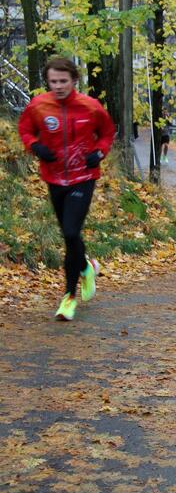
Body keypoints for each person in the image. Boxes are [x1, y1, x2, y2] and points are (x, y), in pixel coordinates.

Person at [18, 57, 115, 321]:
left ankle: (69, 297)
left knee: (72, 231)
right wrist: (34, 146)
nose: (59, 86)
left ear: (74, 80)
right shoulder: (39, 106)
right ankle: (86, 266)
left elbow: (107, 132)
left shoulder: (90, 107)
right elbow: (25, 129)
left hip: (83, 176)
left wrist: (99, 152)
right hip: (54, 178)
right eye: (53, 81)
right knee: (69, 236)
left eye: (63, 81)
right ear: (47, 82)